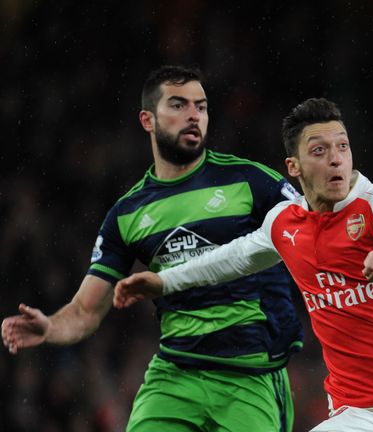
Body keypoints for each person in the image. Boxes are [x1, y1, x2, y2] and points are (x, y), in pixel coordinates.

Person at [113, 97, 373, 431]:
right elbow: (231, 258)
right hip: (362, 413)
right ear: (293, 167)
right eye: (319, 150)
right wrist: (164, 282)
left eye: (342, 147)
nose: (335, 159)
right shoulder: (284, 222)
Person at [1, 66, 303, 432]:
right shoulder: (128, 213)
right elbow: (85, 310)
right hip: (175, 375)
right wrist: (50, 327)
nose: (194, 115)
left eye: (201, 107)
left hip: (251, 373)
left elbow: (317, 237)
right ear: (147, 119)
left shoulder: (252, 182)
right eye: (178, 105)